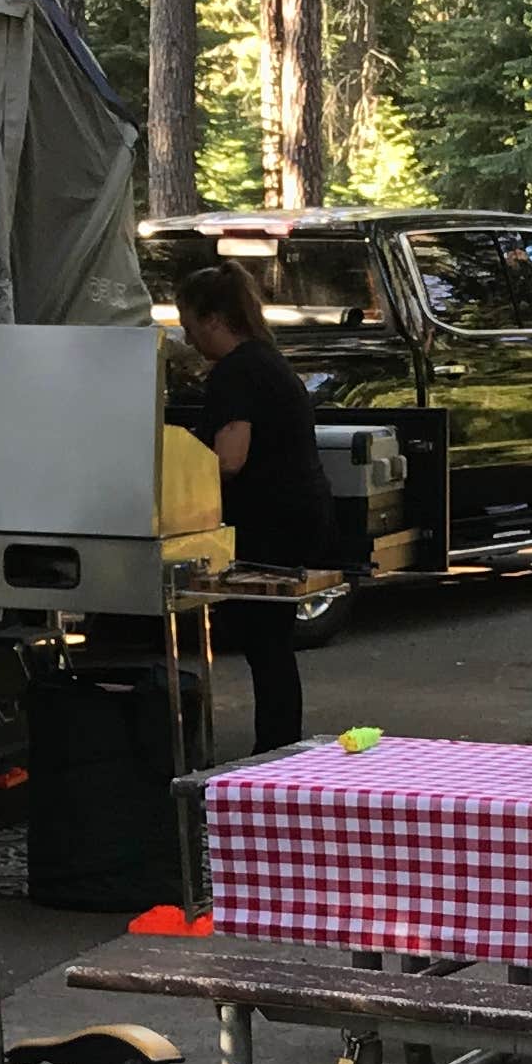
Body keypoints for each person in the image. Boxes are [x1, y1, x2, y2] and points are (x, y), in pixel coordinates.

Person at [172, 260, 354, 751]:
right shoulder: (268, 361)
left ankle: (274, 747)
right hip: (299, 514)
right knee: (270, 644)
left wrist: (179, 472)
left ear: (213, 320)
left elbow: (230, 459)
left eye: (190, 325)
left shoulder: (236, 373)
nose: (189, 338)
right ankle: (278, 743)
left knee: (264, 643)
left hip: (269, 522)